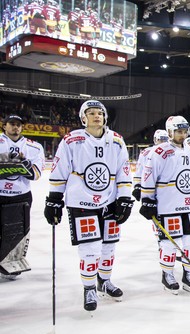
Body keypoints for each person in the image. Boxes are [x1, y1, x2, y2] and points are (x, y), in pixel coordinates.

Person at [44, 100, 133, 311]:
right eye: (91, 113)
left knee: (108, 247)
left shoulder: (117, 141)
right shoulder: (71, 140)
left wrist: (125, 198)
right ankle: (89, 287)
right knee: (90, 249)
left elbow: (124, 172)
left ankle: (104, 280)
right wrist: (54, 199)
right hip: (81, 203)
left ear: (105, 117)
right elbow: (59, 170)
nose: (96, 116)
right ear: (83, 118)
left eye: (100, 113)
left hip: (109, 202)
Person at [139, 116, 190, 295]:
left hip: (188, 205)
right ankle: (167, 274)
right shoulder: (159, 151)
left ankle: (189, 273)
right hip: (168, 206)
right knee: (169, 243)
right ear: (170, 132)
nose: (182, 135)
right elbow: (149, 176)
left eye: (184, 132)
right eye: (179, 131)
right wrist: (147, 199)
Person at [0, 114, 45, 279]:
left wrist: (7, 167)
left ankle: (9, 262)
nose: (15, 127)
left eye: (19, 124)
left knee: (17, 232)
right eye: (11, 124)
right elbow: (27, 171)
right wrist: (20, 167)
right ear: (4, 126)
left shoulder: (34, 147)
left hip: (20, 196)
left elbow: (35, 174)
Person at [132, 129, 169, 201]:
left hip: (166, 189)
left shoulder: (172, 153)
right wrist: (137, 185)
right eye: (161, 140)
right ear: (155, 139)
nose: (163, 142)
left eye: (165, 140)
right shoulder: (146, 152)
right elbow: (140, 170)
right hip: (149, 187)